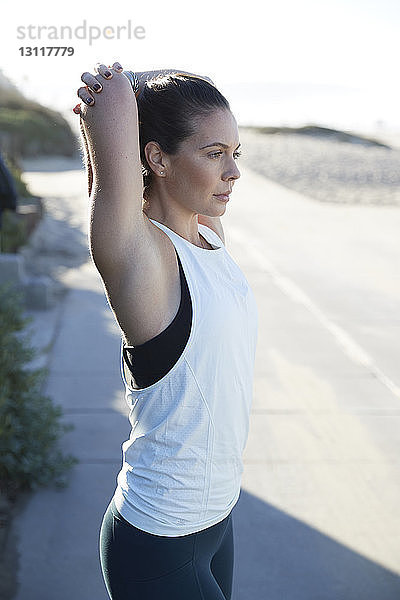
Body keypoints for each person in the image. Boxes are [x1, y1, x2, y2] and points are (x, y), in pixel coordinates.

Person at [74, 61, 258, 600]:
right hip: (161, 535)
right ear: (156, 157)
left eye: (234, 153)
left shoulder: (208, 234)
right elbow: (110, 185)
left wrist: (144, 89)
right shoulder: (145, 262)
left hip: (217, 518)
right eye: (213, 153)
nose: (233, 172)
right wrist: (112, 90)